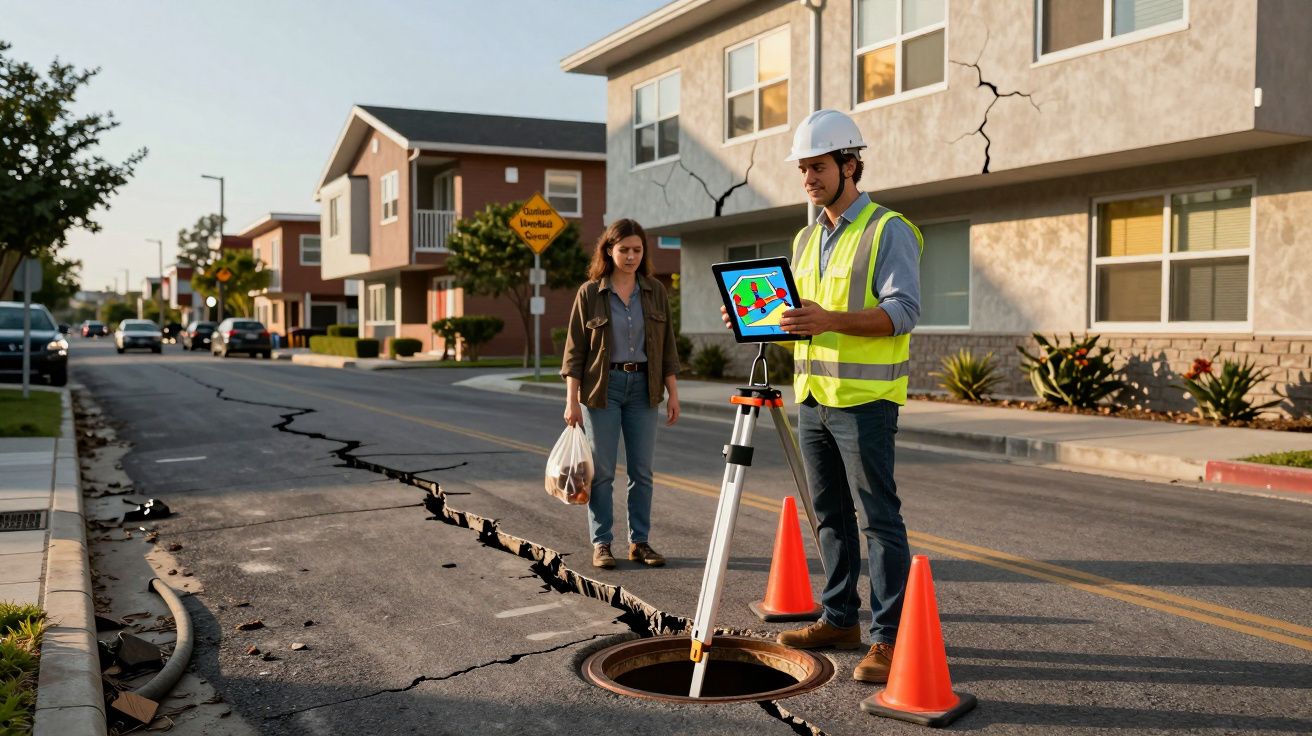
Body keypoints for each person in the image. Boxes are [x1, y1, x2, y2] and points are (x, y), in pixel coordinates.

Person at [722, 109, 922, 684]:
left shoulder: (889, 230)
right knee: (830, 516)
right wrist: (750, 316)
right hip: (811, 395)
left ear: (850, 164)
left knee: (879, 519)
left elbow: (903, 312)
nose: (808, 176)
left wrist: (829, 319)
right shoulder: (806, 237)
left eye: (818, 165)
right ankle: (840, 618)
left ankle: (887, 637)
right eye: (803, 167)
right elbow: (796, 315)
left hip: (865, 400)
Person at [562, 219, 681, 570]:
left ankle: (639, 542)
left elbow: (667, 346)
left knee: (642, 472)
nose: (630, 256)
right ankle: (602, 543)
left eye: (637, 250)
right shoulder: (590, 292)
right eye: (624, 249)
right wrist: (571, 401)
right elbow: (575, 352)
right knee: (601, 472)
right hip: (603, 389)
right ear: (609, 251)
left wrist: (673, 393)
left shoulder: (655, 291)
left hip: (645, 388)